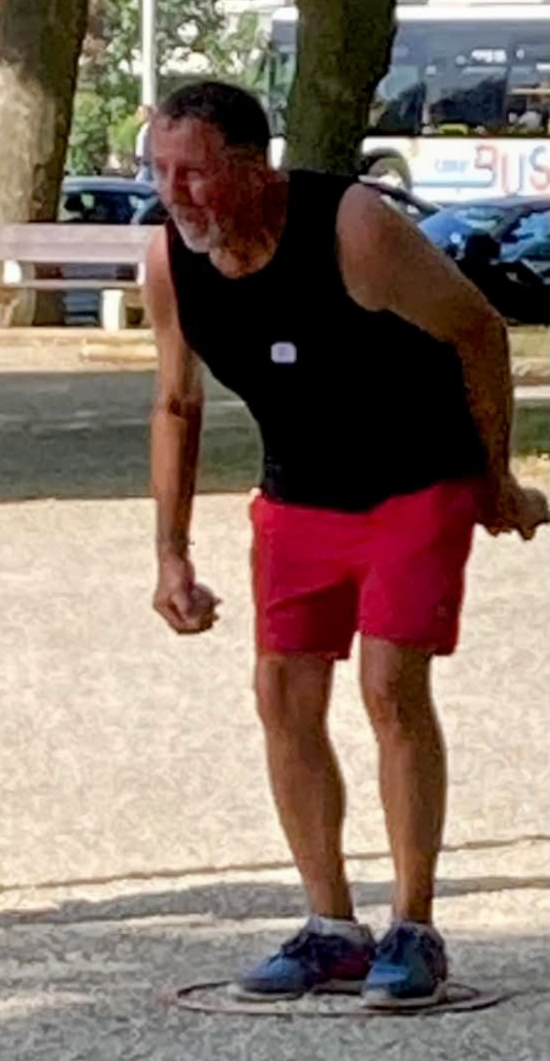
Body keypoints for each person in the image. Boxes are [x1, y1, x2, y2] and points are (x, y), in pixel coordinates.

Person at [144, 79, 548, 1010]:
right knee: (282, 694)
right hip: (300, 493)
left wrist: (494, 476)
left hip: (417, 478)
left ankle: (414, 925)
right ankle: (331, 925)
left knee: (389, 682)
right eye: (161, 171)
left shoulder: (354, 228)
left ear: (255, 167)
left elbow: (479, 330)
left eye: (195, 172)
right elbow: (174, 402)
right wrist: (171, 551)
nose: (176, 194)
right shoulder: (169, 260)